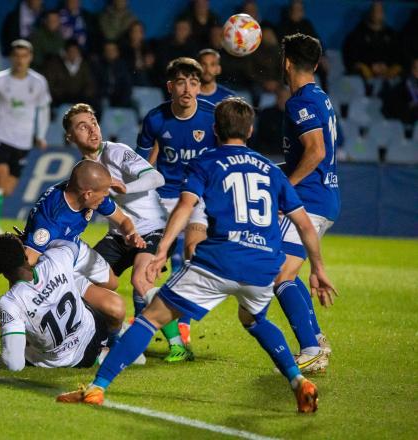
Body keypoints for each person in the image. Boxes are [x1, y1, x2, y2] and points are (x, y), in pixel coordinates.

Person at [56, 97, 338, 413]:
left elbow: (185, 207)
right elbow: (302, 223)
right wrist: (318, 267)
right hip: (262, 267)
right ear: (251, 130)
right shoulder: (272, 172)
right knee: (254, 319)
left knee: (150, 318)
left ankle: (96, 388)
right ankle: (298, 381)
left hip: (218, 262)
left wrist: (162, 250)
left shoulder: (206, 163)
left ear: (215, 129)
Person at [64, 103, 193, 362]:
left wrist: (125, 187)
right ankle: (112, 334)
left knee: (141, 281)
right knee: (77, 276)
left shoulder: (117, 152)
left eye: (94, 123)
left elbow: (156, 178)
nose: (92, 130)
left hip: (152, 228)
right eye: (82, 126)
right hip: (118, 235)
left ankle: (179, 345)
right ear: (70, 137)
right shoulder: (82, 173)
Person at [136, 57, 216, 345]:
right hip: (163, 199)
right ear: (170, 86)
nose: (187, 88)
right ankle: (141, 324)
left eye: (193, 83)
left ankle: (183, 321)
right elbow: (142, 163)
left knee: (194, 252)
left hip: (197, 199)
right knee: (146, 265)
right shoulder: (156, 119)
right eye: (181, 82)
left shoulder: (212, 117)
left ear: (199, 87)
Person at [275, 33, 340, 372]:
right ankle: (315, 339)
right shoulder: (320, 97)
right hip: (324, 198)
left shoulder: (299, 102)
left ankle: (311, 348)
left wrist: (286, 185)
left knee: (280, 275)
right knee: (284, 271)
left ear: (286, 61)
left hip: (310, 200)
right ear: (314, 64)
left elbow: (316, 151)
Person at [0, 234, 125, 370]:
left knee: (19, 333)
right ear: (26, 254)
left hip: (70, 362)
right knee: (73, 282)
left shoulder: (10, 303)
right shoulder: (56, 259)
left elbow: (13, 364)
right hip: (96, 334)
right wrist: (34, 241)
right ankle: (114, 345)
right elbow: (70, 244)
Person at [20, 160, 145, 293]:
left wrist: (130, 233)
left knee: (112, 283)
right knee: (114, 308)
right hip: (52, 256)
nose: (106, 197)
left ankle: (76, 290)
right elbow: (25, 265)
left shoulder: (86, 191)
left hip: (74, 244)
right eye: (104, 193)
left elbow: (123, 220)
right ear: (88, 195)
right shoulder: (51, 221)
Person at [0, 39, 51, 238]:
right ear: (11, 58)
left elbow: (43, 110)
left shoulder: (38, 82)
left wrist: (40, 135)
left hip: (23, 141)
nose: (20, 60)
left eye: (24, 56)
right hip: (1, 136)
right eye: (17, 56)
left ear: (30, 58)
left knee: (6, 190)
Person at [42, 39, 98, 111]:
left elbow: (90, 85)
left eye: (75, 51)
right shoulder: (55, 65)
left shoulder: (85, 65)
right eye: (70, 51)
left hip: (80, 102)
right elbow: (49, 84)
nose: (73, 54)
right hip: (59, 102)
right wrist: (61, 95)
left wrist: (82, 98)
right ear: (65, 52)